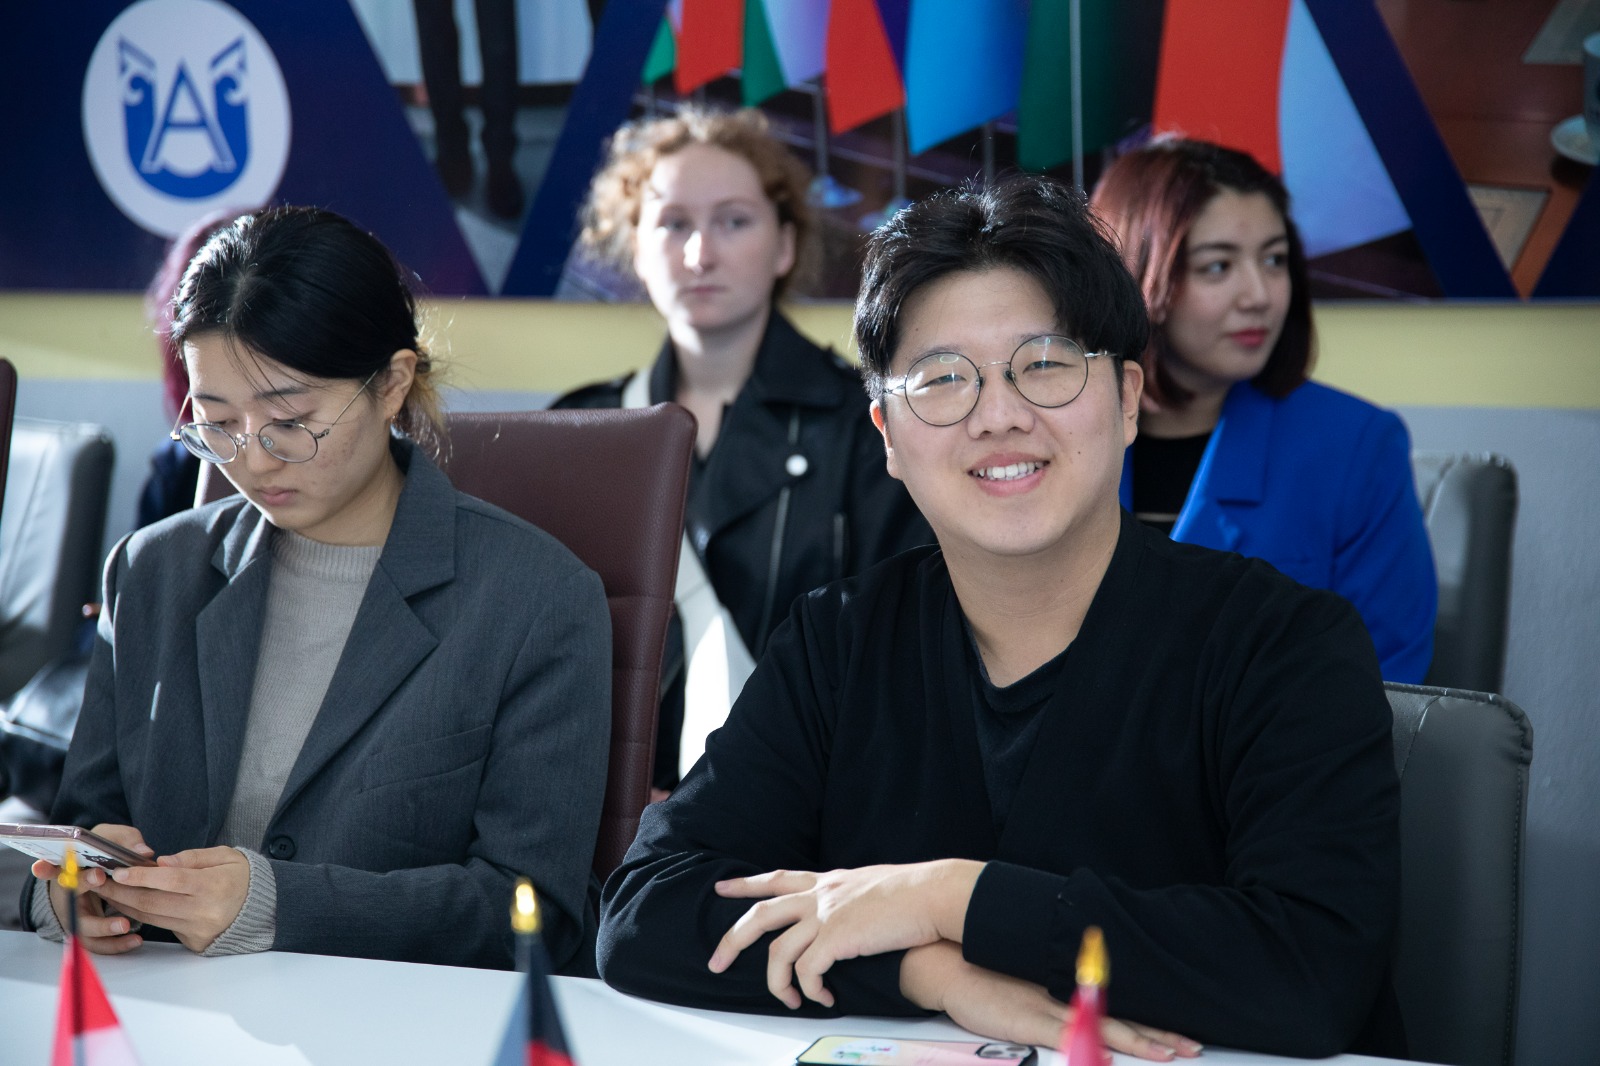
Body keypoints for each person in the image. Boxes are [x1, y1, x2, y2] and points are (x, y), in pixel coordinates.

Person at [597, 176, 1404, 1060]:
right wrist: (930, 973)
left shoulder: (1284, 643)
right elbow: (645, 912)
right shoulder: (838, 642)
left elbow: (1315, 971)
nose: (1000, 416)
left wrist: (949, 898)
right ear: (887, 436)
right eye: (944, 380)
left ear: (1127, 399)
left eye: (1045, 364)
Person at [19, 206, 611, 972]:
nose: (253, 460)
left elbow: (536, 912)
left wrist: (279, 904)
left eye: (291, 421)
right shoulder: (152, 571)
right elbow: (81, 828)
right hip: (160, 1005)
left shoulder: (535, 598)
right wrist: (70, 892)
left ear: (392, 384)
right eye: (218, 422)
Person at [554, 106, 929, 793]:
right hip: (619, 821)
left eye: (733, 221)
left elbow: (905, 658)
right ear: (636, 248)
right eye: (673, 224)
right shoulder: (580, 430)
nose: (701, 254)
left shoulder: (870, 426)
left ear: (785, 245)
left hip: (812, 818)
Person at [1089, 138, 1436, 682]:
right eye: (1218, 266)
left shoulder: (1356, 446)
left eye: (1274, 260)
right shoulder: (1062, 433)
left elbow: (1390, 681)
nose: (1259, 295)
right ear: (1136, 275)